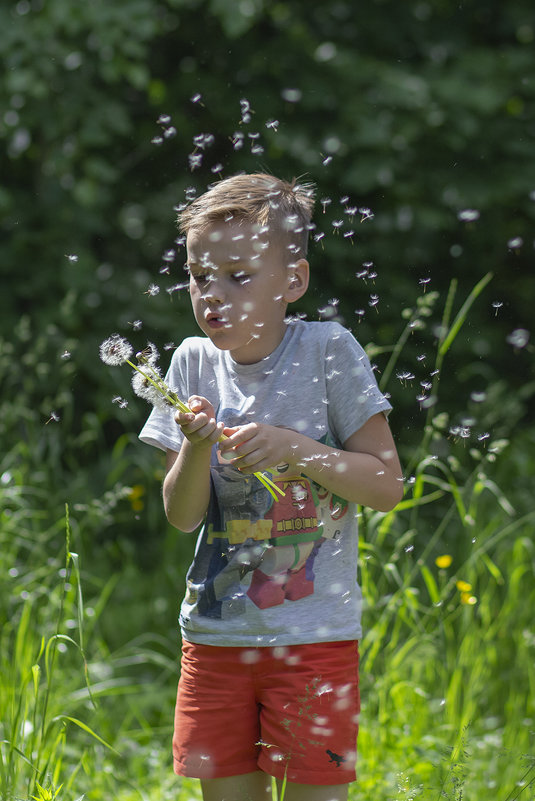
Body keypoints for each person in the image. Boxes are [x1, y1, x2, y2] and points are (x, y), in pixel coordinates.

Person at [139, 172, 403, 801]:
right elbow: (181, 516)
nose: (213, 296)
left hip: (314, 641)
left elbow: (387, 484)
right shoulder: (192, 363)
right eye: (201, 277)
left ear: (294, 281)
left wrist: (301, 452)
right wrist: (197, 447)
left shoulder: (327, 351)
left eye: (238, 275)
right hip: (216, 639)